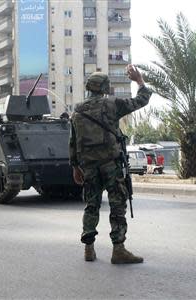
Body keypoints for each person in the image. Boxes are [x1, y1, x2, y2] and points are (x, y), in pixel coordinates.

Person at [69, 64, 152, 264]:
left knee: (91, 205)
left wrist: (75, 167)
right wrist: (139, 81)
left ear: (89, 87)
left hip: (88, 166)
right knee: (117, 204)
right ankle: (118, 249)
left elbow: (72, 141)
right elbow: (142, 100)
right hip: (110, 164)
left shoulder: (77, 111)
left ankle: (89, 249)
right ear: (105, 88)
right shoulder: (112, 104)